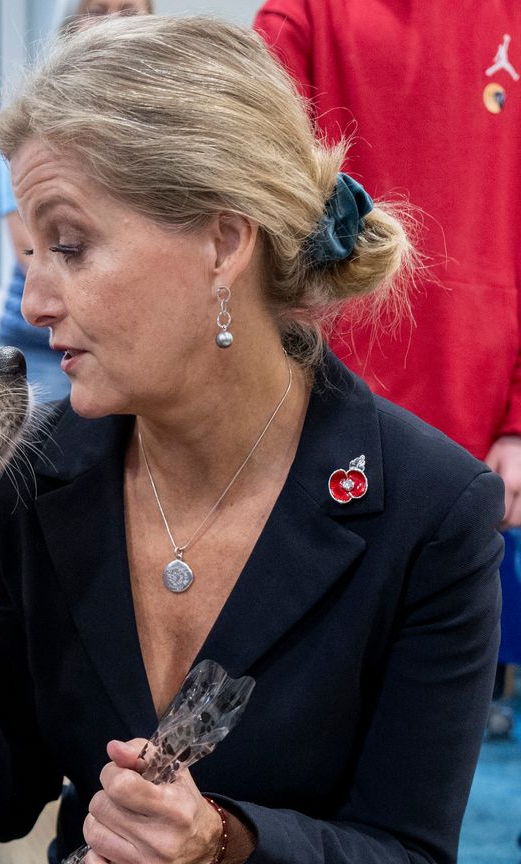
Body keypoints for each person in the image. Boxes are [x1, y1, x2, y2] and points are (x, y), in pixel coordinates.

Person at [0, 16, 503, 864]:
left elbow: (407, 849)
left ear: (222, 242)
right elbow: (9, 799)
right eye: (32, 253)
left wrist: (223, 844)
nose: (32, 304)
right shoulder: (26, 480)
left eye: (69, 245)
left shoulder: (432, 512)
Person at [253, 0, 521, 742]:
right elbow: (253, 193)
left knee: (438, 726)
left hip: (479, 415)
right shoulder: (303, 15)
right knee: (317, 714)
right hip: (324, 411)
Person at [0, 0, 153, 403]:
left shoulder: (152, 126)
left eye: (129, 10)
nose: (113, 23)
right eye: (97, 9)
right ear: (73, 23)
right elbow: (27, 249)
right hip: (39, 343)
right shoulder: (27, 128)